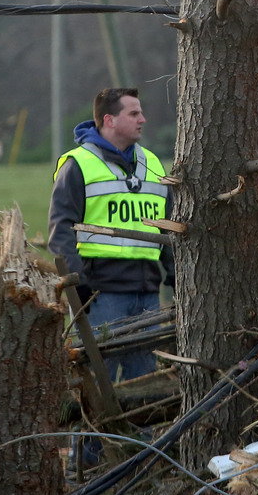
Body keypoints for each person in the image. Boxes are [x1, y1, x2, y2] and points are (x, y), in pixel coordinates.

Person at [49, 86, 174, 382]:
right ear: (110, 120)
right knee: (92, 387)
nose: (143, 119)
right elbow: (61, 231)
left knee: (144, 390)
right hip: (99, 297)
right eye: (134, 113)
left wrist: (178, 279)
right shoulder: (77, 165)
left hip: (147, 295)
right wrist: (77, 287)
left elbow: (169, 228)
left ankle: (137, 433)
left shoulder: (153, 164)